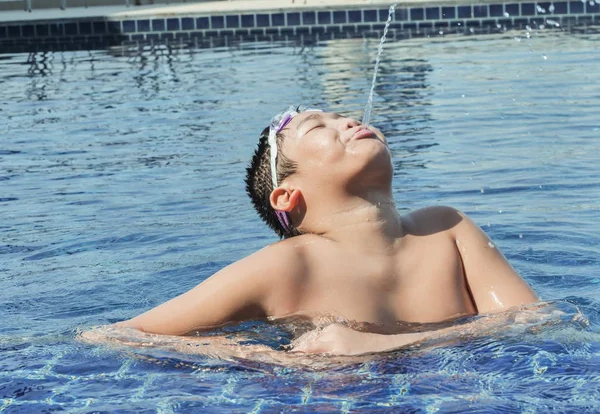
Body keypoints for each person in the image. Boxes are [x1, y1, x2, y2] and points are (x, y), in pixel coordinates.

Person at [111, 106, 539, 355]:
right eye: (319, 126)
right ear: (287, 195)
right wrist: (274, 362)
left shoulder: (447, 228)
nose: (348, 120)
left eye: (342, 115)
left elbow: (538, 323)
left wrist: (376, 346)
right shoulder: (288, 265)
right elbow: (118, 336)